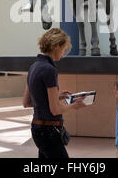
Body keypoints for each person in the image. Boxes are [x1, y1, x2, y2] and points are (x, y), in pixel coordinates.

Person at [23, 28, 86, 158]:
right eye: (63, 49)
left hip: (37, 129)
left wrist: (57, 96)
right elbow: (55, 110)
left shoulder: (33, 67)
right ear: (56, 46)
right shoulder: (50, 70)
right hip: (49, 131)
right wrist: (75, 105)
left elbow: (27, 102)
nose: (63, 53)